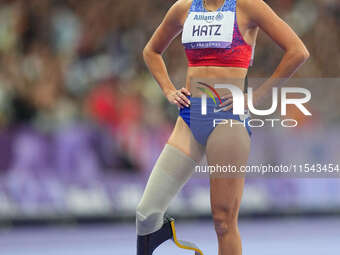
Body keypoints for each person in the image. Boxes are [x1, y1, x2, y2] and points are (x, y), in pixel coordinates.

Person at [136, 0, 309, 254]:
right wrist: (168, 89)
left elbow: (298, 51)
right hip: (189, 117)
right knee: (146, 213)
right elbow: (151, 51)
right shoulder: (183, 8)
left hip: (227, 119)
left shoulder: (249, 5)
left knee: (223, 221)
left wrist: (256, 97)